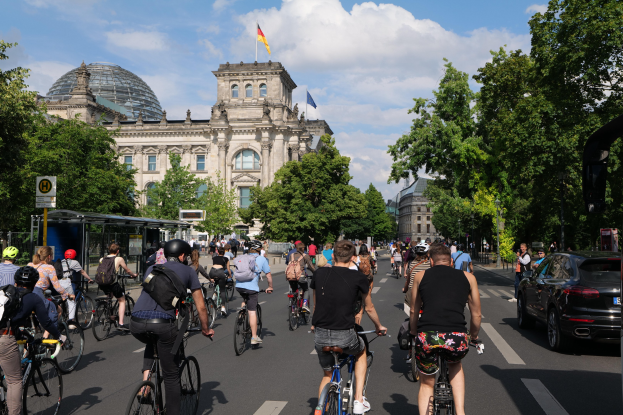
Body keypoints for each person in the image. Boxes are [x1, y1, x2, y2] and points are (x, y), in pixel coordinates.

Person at [130, 239, 213, 415]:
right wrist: (206, 329)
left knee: (151, 341)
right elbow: (201, 306)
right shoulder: (189, 271)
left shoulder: (152, 269)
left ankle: (146, 384)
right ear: (182, 256)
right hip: (162, 325)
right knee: (171, 376)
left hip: (136, 322)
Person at [311, 240, 387, 414]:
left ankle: (321, 407)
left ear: (333, 256)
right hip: (345, 335)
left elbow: (317, 305)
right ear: (353, 257)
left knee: (327, 374)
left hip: (321, 336)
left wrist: (315, 324)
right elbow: (369, 307)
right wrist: (379, 326)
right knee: (361, 351)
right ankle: (359, 399)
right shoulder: (358, 277)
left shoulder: (319, 274)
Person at [409, 243, 482, 415]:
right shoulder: (469, 277)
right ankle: (460, 412)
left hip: (427, 336)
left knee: (427, 383)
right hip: (457, 337)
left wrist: (413, 331)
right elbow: (477, 314)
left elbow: (413, 309)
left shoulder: (420, 276)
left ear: (431, 262)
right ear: (451, 262)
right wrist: (474, 337)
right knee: (455, 364)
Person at [0, 266, 63, 415]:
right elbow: (46, 323)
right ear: (35, 283)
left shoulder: (4, 292)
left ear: (15, 282)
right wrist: (59, 336)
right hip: (4, 337)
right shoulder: (33, 298)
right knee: (14, 381)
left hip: (7, 332)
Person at [236, 240, 273, 345]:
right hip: (252, 288)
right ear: (260, 249)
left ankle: (242, 309)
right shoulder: (262, 259)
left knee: (245, 297)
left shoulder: (243, 257)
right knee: (252, 311)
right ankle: (254, 337)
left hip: (239, 286)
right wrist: (270, 287)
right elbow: (269, 275)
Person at [27, 246, 74, 329]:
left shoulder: (30, 265)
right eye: (52, 256)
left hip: (27, 295)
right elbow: (57, 287)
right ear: (49, 256)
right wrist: (68, 294)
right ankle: (48, 335)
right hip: (38, 296)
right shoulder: (49, 267)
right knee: (58, 310)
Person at [99, 243, 138, 330]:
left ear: (109, 250)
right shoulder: (119, 258)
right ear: (118, 251)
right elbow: (127, 270)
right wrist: (133, 275)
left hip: (102, 283)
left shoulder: (102, 258)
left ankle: (107, 311)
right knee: (122, 300)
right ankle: (121, 323)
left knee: (109, 296)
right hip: (112, 283)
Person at [61, 249, 94, 329]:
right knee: (72, 301)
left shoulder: (61, 262)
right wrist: (89, 279)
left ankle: (63, 314)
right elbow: (82, 272)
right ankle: (71, 323)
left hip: (58, 282)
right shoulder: (74, 262)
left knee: (63, 299)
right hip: (66, 282)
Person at [288, 242, 316, 312]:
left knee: (294, 290)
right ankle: (304, 304)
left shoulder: (291, 255)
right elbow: (311, 266)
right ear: (303, 248)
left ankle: (293, 307)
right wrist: (315, 273)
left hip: (291, 277)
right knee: (306, 289)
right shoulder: (305, 255)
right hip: (301, 276)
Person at [209, 247, 232, 316]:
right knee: (222, 290)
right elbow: (228, 269)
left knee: (215, 281)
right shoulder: (226, 259)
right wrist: (230, 276)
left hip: (212, 272)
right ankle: (223, 307)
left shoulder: (214, 258)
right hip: (220, 272)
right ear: (224, 253)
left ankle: (215, 294)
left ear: (218, 252)